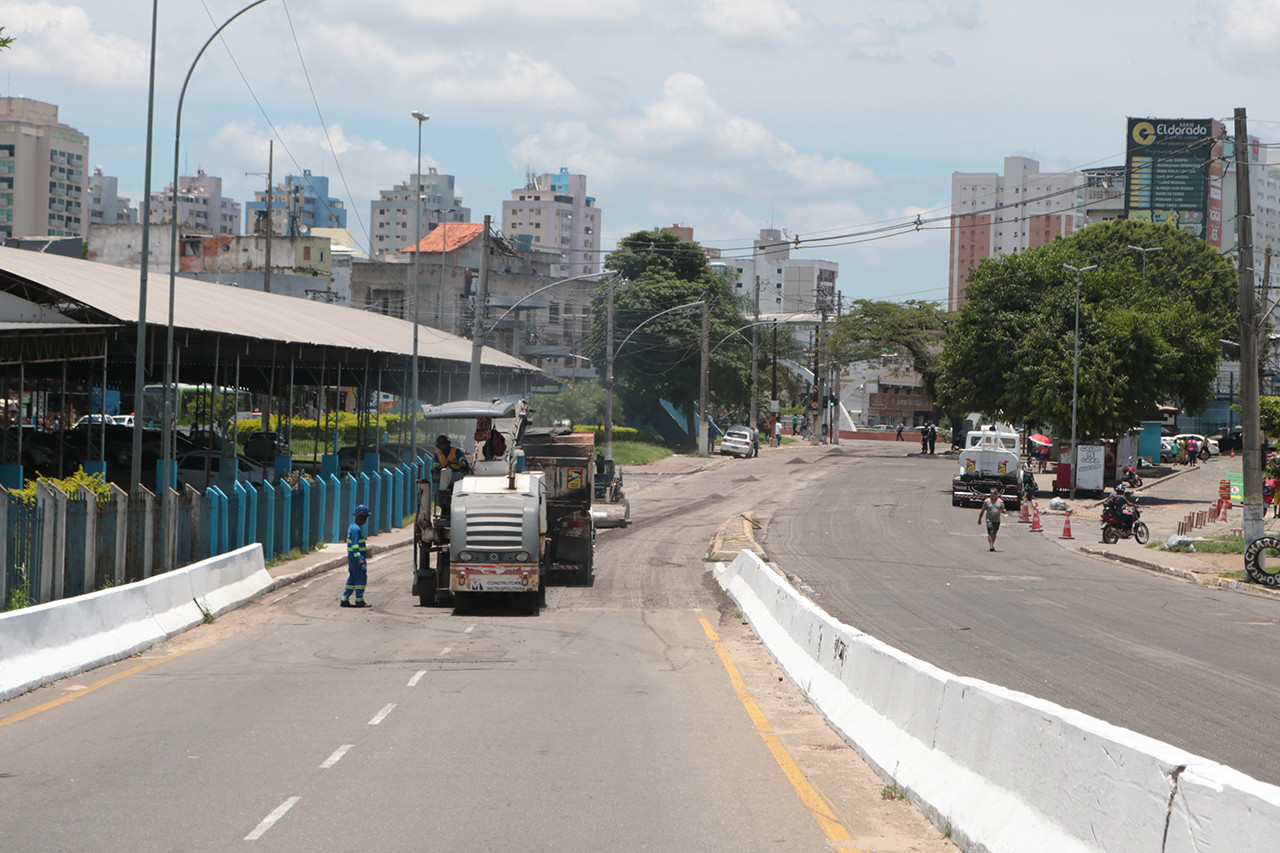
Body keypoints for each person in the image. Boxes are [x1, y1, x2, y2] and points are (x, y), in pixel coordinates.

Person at [340, 505, 370, 608]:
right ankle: (359, 600)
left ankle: (344, 598)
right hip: (357, 559)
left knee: (352, 578)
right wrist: (359, 559)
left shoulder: (352, 527)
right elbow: (355, 546)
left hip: (351, 558)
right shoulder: (357, 530)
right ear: (362, 518)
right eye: (365, 517)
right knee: (361, 579)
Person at [978, 487, 1006, 551]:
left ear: (996, 494)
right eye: (991, 493)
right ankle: (991, 545)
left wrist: (1003, 511)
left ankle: (992, 543)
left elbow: (1003, 509)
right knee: (990, 532)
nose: (992, 494)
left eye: (993, 493)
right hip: (989, 519)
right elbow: (982, 511)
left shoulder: (1000, 501)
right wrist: (979, 519)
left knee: (994, 533)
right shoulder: (987, 501)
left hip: (997, 520)